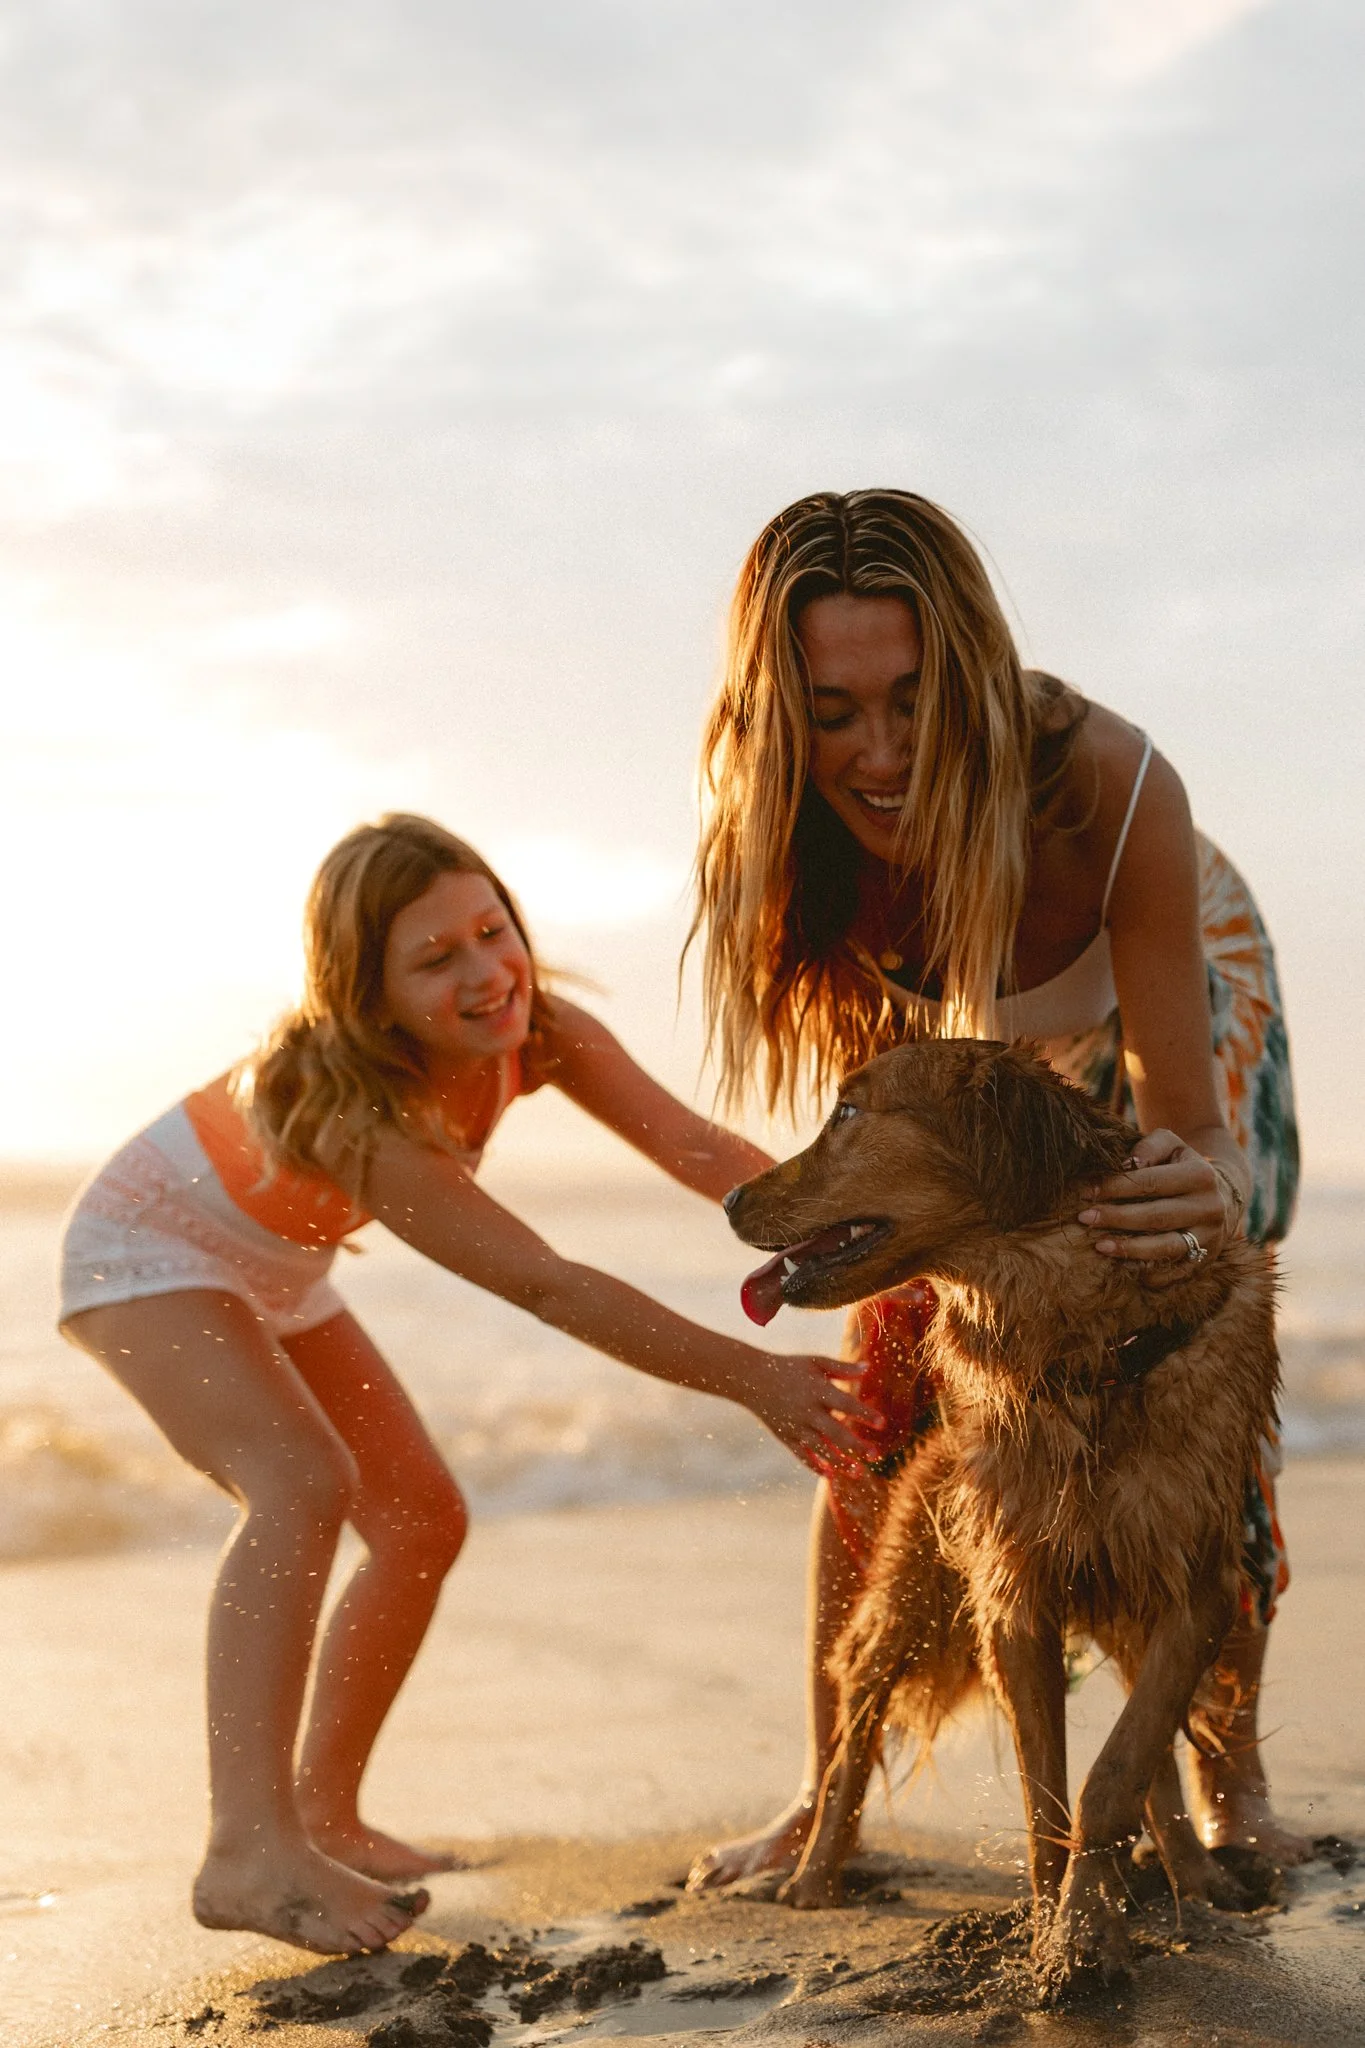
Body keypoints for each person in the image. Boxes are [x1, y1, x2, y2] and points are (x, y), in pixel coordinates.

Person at [59, 813, 875, 1957]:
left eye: (493, 930)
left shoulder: (538, 1031)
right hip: (147, 1250)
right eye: (436, 959)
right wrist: (755, 1379)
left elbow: (699, 1151)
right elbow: (545, 1283)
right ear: (368, 991)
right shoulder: (362, 1117)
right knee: (301, 1483)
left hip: (275, 1267)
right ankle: (247, 1844)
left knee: (420, 1515)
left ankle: (324, 1813)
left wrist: (860, 1229)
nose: (488, 972)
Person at [687, 488, 1304, 1891]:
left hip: (1174, 996)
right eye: (832, 712)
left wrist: (1200, 1190)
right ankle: (820, 1787)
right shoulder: (797, 841)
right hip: (965, 1066)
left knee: (1192, 1333)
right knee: (888, 1367)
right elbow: (876, 1131)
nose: (881, 752)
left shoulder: (1109, 788)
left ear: (968, 666)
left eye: (913, 699)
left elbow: (1197, 1130)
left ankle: (1232, 1780)